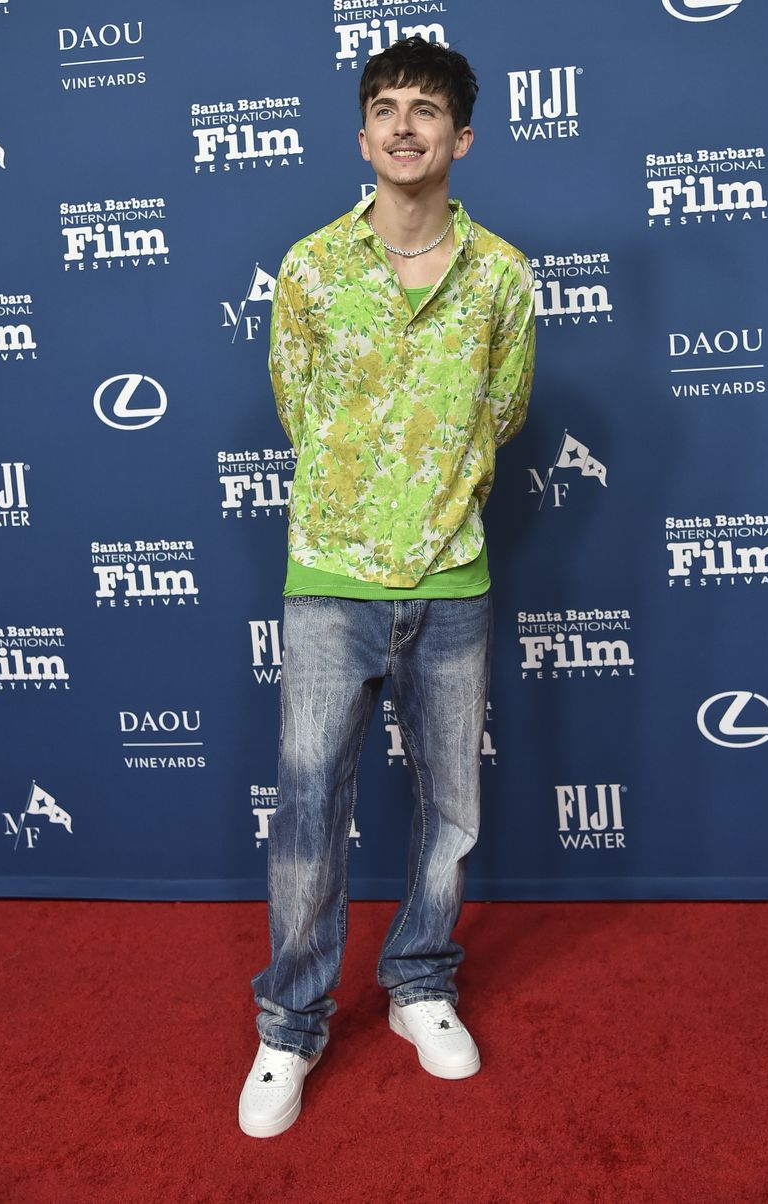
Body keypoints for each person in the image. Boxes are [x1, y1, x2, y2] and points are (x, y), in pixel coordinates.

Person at [239, 35, 535, 1139]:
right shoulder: (310, 266)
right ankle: (290, 1024)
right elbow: (294, 405)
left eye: (425, 109)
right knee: (310, 808)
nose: (403, 124)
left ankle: (418, 982)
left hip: (452, 571)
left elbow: (500, 410)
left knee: (449, 808)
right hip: (328, 570)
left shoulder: (501, 274)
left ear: (459, 138)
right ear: (361, 135)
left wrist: (431, 498)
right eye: (384, 107)